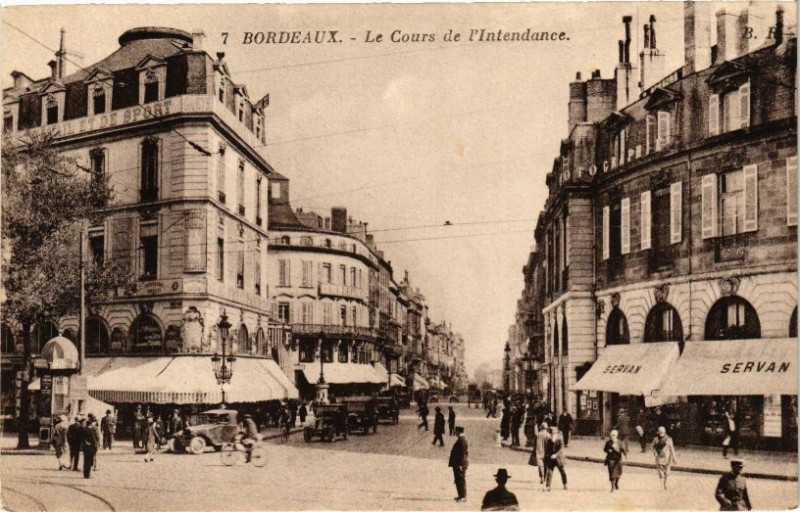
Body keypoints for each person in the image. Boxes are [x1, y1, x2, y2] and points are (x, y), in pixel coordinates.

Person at [652, 426, 677, 490]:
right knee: (661, 473)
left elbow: (671, 449)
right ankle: (661, 485)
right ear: (658, 432)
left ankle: (665, 484)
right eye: (660, 433)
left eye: (662, 433)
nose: (661, 435)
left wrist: (674, 458)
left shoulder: (669, 439)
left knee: (667, 473)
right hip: (659, 458)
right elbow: (652, 446)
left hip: (667, 458)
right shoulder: (656, 439)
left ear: (665, 432)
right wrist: (654, 452)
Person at [449, 426, 469, 502]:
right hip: (459, 463)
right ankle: (460, 496)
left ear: (458, 432)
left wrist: (460, 465)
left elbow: (462, 454)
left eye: (455, 432)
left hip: (459, 464)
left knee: (460, 480)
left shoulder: (461, 441)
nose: (455, 433)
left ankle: (463, 497)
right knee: (458, 480)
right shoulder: (462, 439)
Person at [544, 426, 567, 491]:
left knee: (562, 471)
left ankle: (565, 484)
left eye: (553, 434)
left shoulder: (560, 440)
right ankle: (548, 486)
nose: (551, 436)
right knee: (549, 472)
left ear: (556, 434)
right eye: (550, 434)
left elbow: (561, 449)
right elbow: (547, 450)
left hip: (559, 459)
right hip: (551, 459)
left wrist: (555, 455)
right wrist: (547, 456)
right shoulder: (549, 441)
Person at [528, 422, 550, 487]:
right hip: (546, 452)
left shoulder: (538, 435)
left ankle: (542, 476)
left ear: (541, 428)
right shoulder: (548, 435)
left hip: (538, 451)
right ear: (546, 428)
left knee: (540, 465)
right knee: (545, 465)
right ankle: (545, 477)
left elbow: (534, 443)